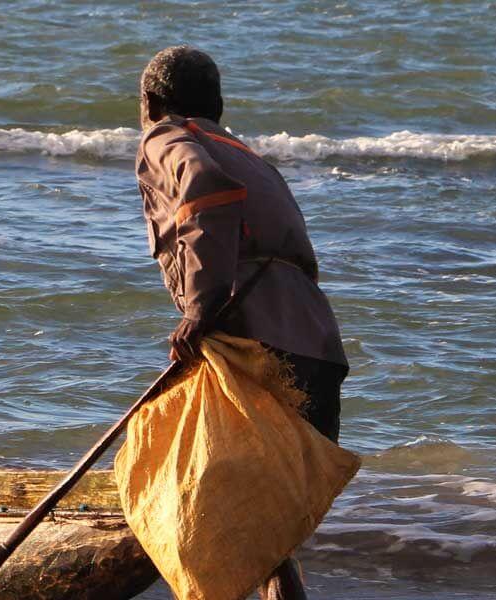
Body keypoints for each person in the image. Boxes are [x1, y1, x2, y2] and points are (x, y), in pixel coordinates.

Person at [131, 46, 348, 600]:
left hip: (260, 344)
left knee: (205, 504)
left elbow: (205, 189)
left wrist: (200, 307)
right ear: (220, 105)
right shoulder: (246, 152)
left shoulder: (167, 138)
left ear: (152, 102)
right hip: (316, 347)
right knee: (270, 533)